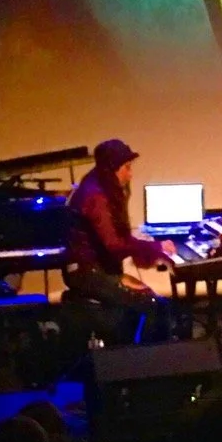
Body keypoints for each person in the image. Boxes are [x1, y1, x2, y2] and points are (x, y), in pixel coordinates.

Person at [64, 138, 175, 342]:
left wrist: (143, 245)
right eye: (127, 167)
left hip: (96, 269)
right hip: (88, 273)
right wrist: (155, 246)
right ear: (112, 168)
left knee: (156, 303)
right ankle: (142, 365)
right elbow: (113, 245)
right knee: (152, 304)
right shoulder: (95, 196)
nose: (130, 174)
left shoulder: (96, 186)